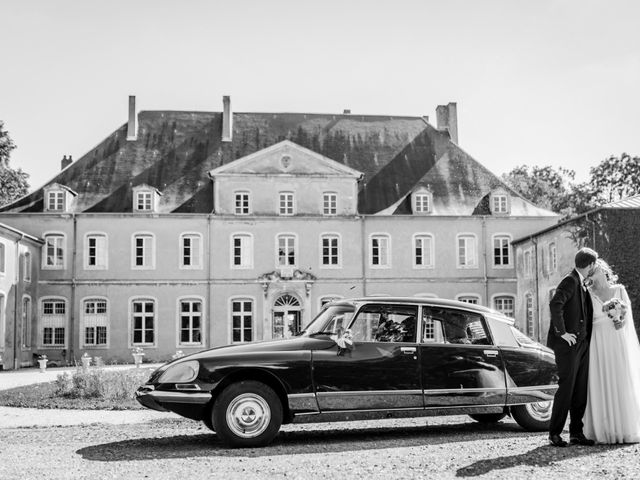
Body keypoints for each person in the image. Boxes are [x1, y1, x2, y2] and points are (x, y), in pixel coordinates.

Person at [583, 259, 640, 443]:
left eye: (595, 268)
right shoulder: (587, 294)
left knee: (620, 380)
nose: (592, 272)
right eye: (589, 270)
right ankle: (604, 430)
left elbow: (627, 321)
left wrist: (618, 319)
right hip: (597, 343)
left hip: (617, 342)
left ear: (603, 269)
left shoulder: (619, 290)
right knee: (600, 381)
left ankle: (624, 429)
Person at [547, 247, 598, 447]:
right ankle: (554, 434)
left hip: (582, 343)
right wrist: (562, 332)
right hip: (568, 345)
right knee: (566, 389)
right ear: (591, 265)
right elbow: (555, 304)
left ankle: (576, 432)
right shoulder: (570, 280)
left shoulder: (581, 282)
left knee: (580, 389)